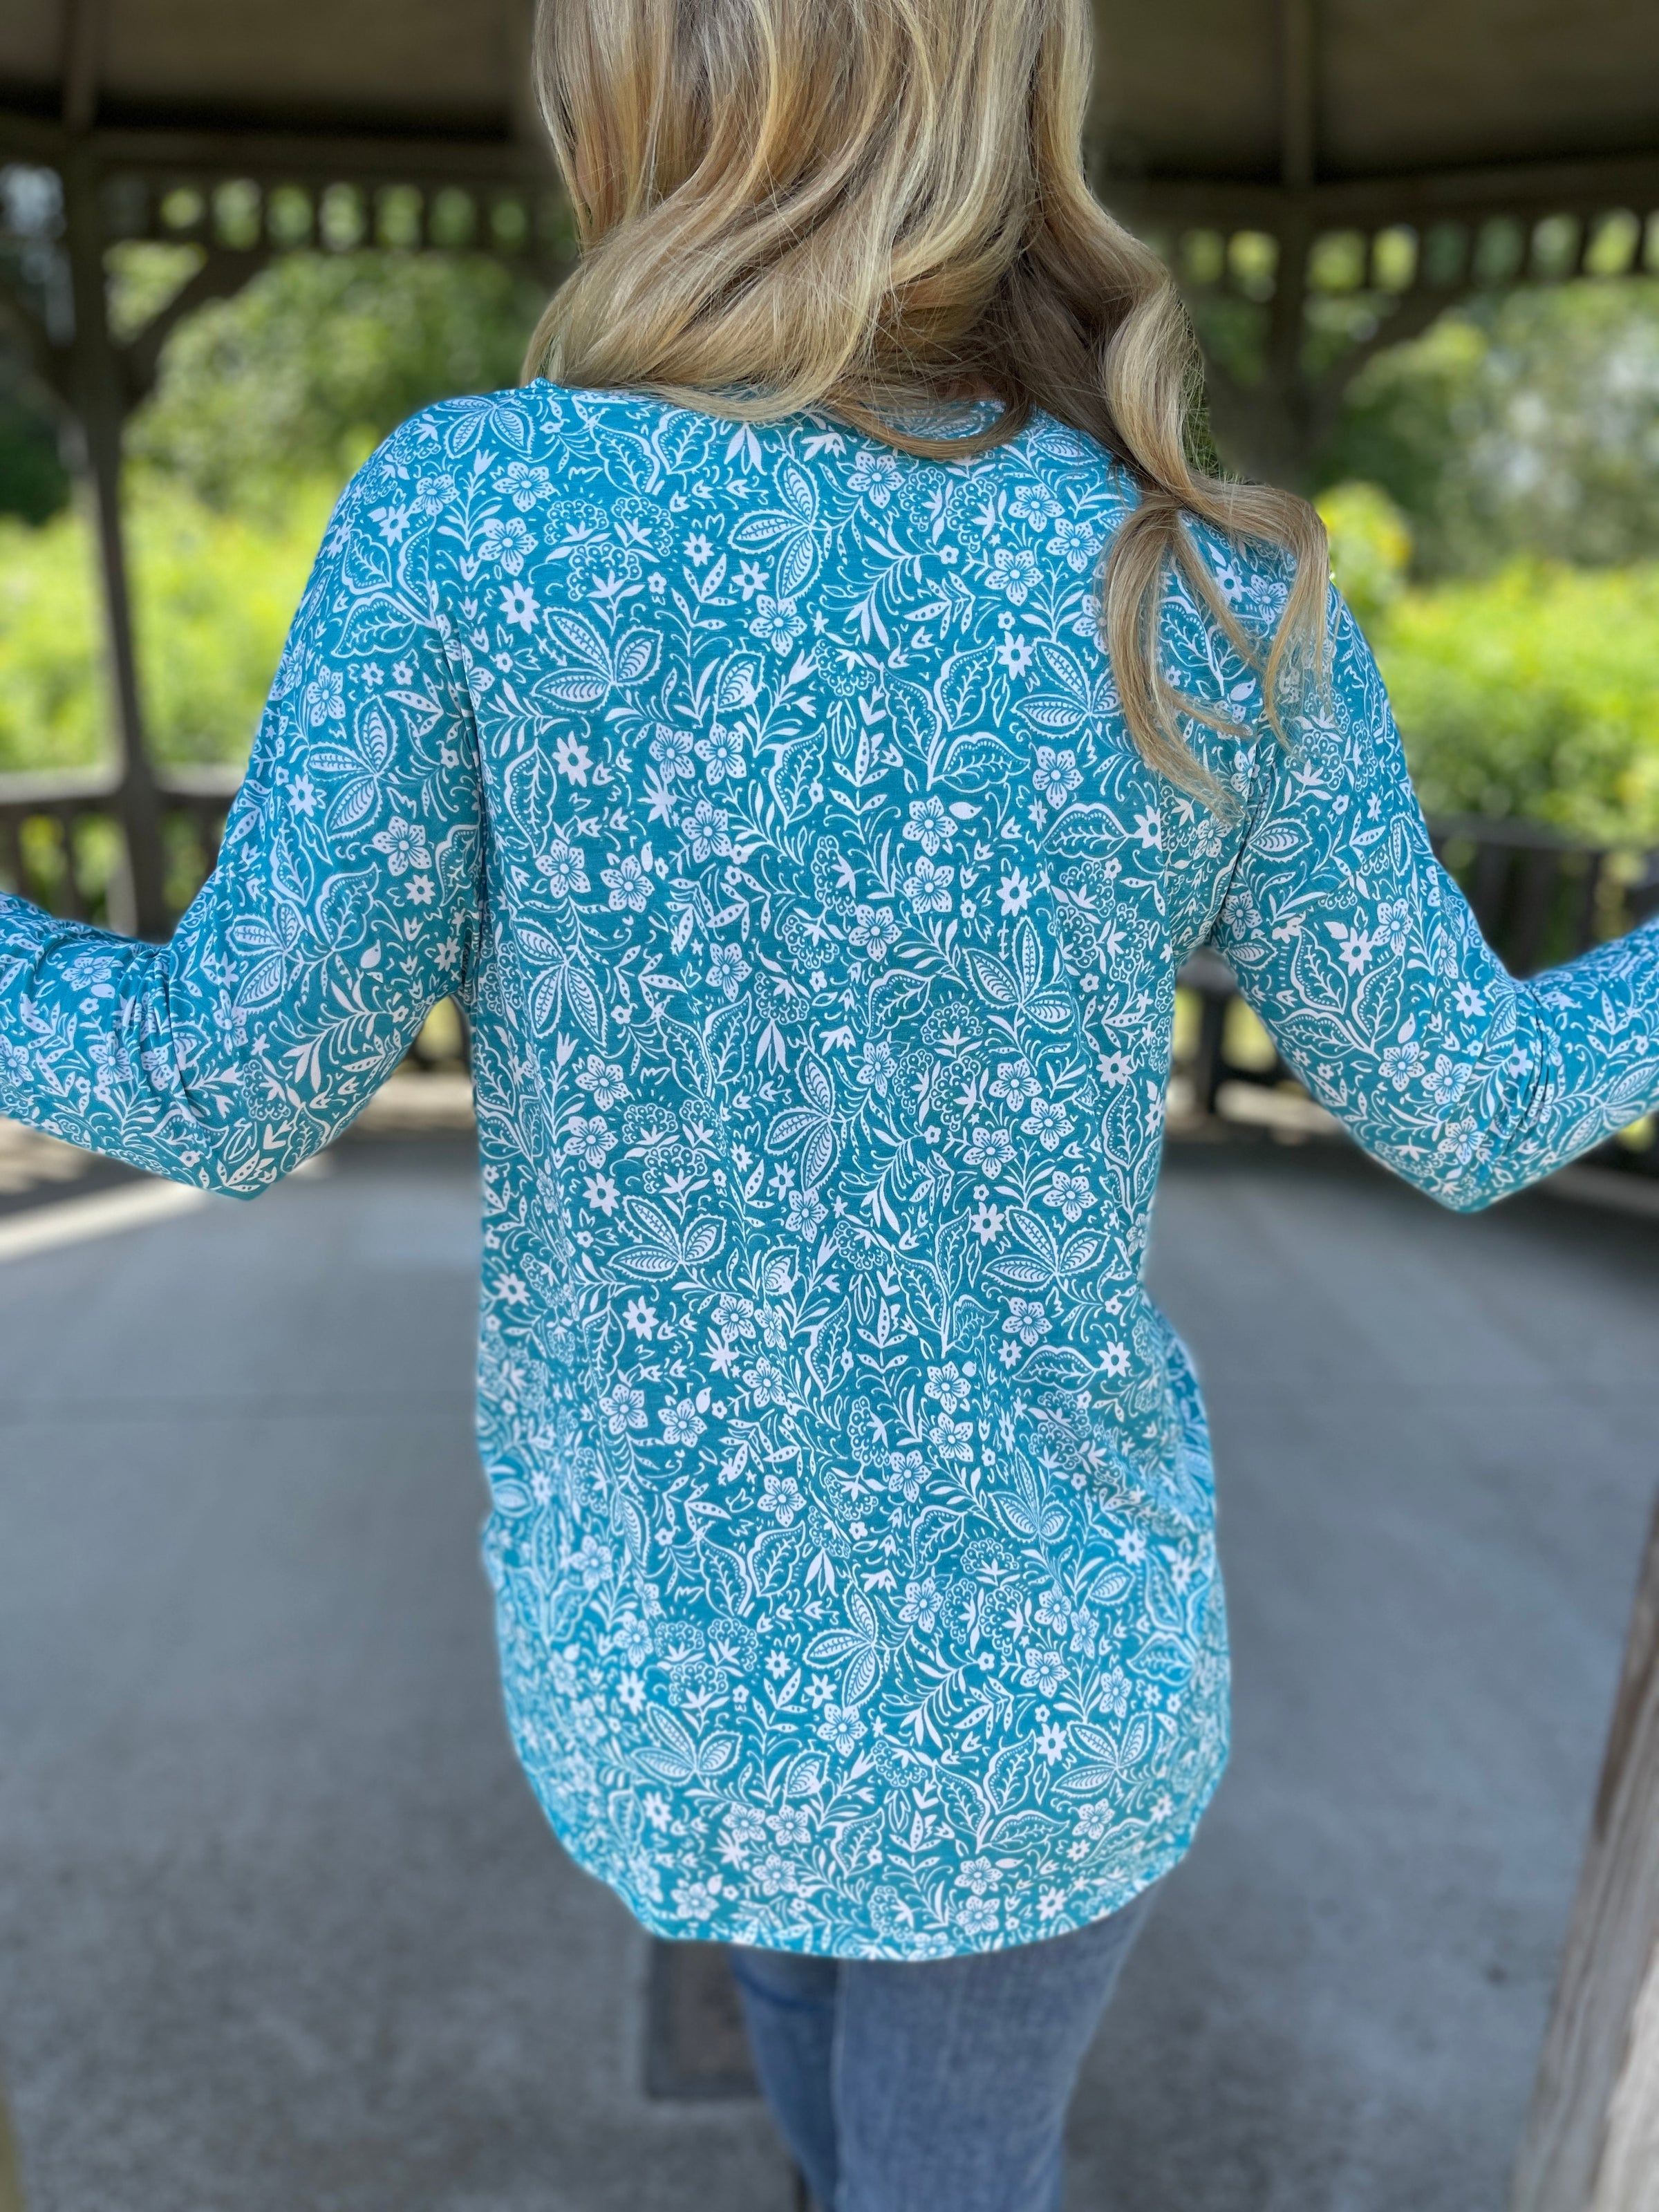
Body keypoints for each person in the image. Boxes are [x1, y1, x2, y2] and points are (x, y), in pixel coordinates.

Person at [4, 2, 1659, 2206]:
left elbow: (217, 1084)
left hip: (666, 1679)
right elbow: (1469, 1098)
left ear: (652, 91)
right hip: (1049, 1693)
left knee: (815, 2051)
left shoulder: (477, 520)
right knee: (942, 2159)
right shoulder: (1200, 578)